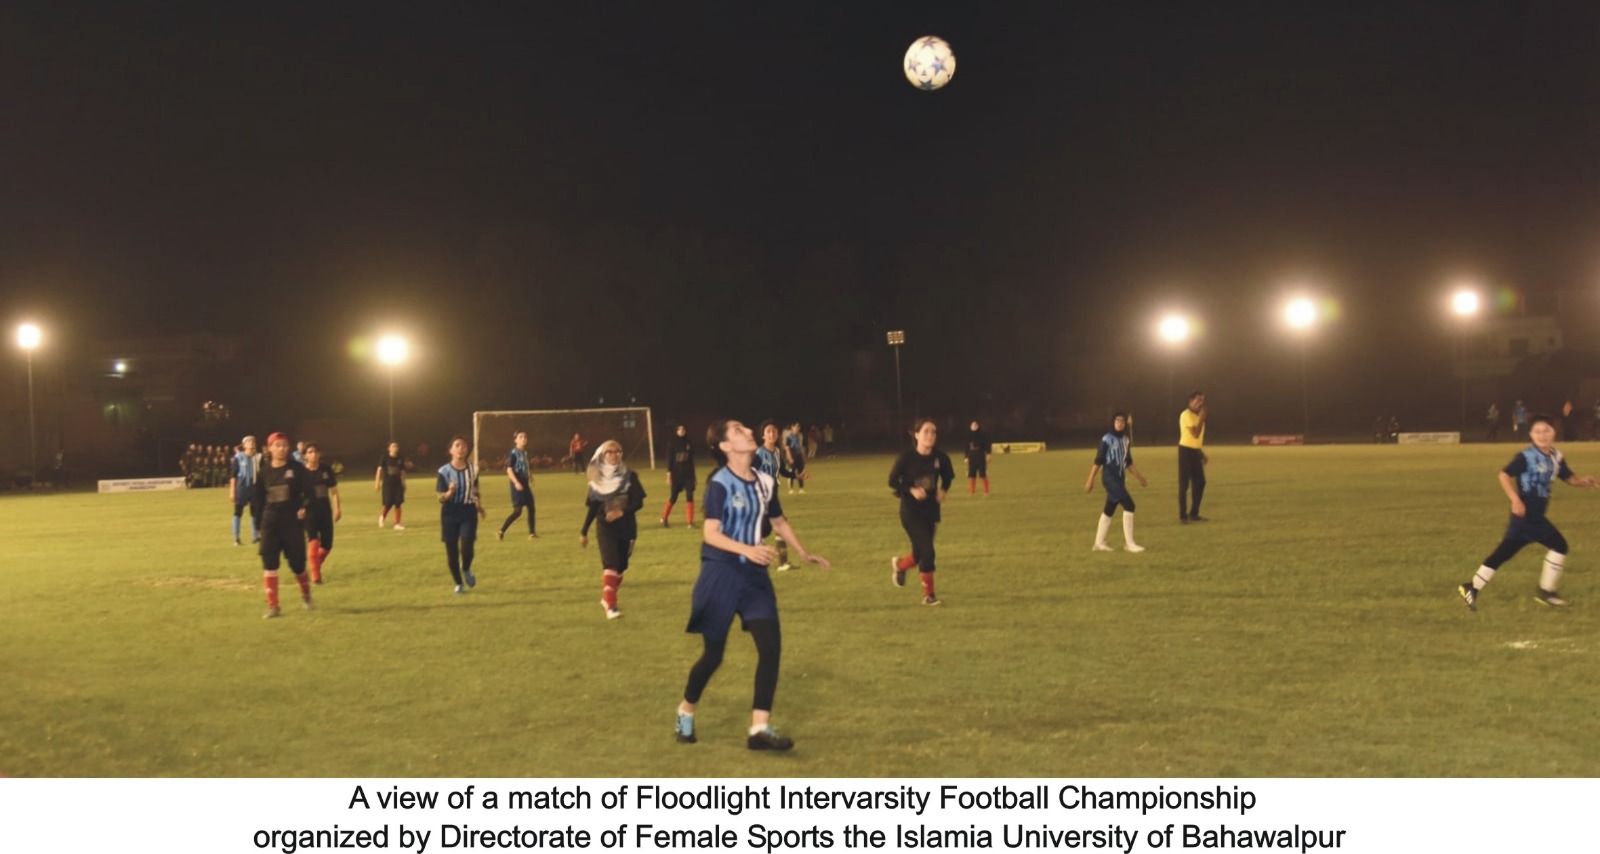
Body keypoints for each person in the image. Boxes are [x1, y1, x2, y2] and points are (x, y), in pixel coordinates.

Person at [675, 419, 831, 751]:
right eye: (738, 431)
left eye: (746, 428)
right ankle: (685, 710)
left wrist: (804, 552)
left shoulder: (764, 480)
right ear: (726, 446)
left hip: (754, 577)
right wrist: (748, 549)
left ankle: (759, 729)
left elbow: (776, 519)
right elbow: (711, 533)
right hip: (720, 573)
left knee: (770, 646)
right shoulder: (719, 482)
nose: (748, 432)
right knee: (713, 656)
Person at [1458, 414, 1597, 610]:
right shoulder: (1526, 457)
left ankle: (1471, 587)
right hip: (1528, 514)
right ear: (1531, 434)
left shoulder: (1557, 456)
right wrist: (1515, 500)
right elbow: (1504, 474)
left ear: (1553, 432)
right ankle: (1547, 592)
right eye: (1537, 431)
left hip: (1526, 517)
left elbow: (1568, 477)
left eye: (1546, 431)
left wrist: (1583, 481)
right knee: (1559, 545)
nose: (1542, 435)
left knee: (1504, 552)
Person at [888, 418, 955, 606]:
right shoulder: (906, 458)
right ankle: (929, 596)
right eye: (926, 431)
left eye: (933, 432)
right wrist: (911, 490)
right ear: (916, 435)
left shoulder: (940, 458)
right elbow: (892, 481)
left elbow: (948, 478)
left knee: (919, 554)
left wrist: (943, 490)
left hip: (931, 511)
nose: (930, 435)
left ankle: (900, 566)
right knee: (928, 551)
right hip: (911, 511)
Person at [581, 440, 646, 618]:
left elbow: (638, 502)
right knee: (610, 563)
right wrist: (584, 531)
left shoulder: (630, 476)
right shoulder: (597, 480)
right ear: (602, 455)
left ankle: (606, 597)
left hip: (626, 528)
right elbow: (593, 507)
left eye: (617, 451)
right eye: (610, 452)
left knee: (621, 567)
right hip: (605, 527)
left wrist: (621, 512)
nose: (614, 454)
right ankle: (611, 605)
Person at [254, 432, 313, 619]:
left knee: (297, 565)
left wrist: (304, 507)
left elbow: (308, 493)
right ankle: (273, 606)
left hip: (292, 522)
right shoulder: (263, 472)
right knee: (269, 563)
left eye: (285, 445)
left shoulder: (297, 469)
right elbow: (257, 500)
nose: (282, 449)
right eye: (277, 445)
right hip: (270, 522)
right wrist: (258, 525)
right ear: (269, 448)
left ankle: (306, 593)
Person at [1085, 412, 1149, 552]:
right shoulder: (1106, 439)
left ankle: (1099, 543)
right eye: (1117, 420)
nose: (1119, 423)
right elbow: (1098, 461)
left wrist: (1140, 478)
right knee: (1130, 505)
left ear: (1125, 424)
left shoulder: (1126, 440)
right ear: (1113, 423)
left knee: (1109, 509)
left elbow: (1128, 463)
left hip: (1119, 479)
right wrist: (1090, 480)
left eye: (1122, 421)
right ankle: (1129, 544)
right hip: (1109, 478)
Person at [437, 435, 488, 594]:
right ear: (450, 450)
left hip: (468, 512)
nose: (461, 448)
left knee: (467, 548)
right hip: (450, 513)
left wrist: (479, 506)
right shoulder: (444, 471)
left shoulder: (474, 469)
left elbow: (475, 489)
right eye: (457, 445)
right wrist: (449, 493)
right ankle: (459, 583)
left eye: (464, 445)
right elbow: (440, 497)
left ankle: (466, 568)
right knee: (451, 552)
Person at [755, 421, 793, 571]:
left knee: (779, 527)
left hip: (773, 496)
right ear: (763, 435)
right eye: (768, 431)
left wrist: (795, 475)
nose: (771, 434)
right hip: (762, 498)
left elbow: (782, 470)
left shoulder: (777, 452)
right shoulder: (759, 454)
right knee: (762, 530)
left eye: (774, 432)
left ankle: (782, 563)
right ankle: (758, 562)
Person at [302, 441, 341, 584]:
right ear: (305, 456)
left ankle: (314, 566)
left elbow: (334, 492)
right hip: (309, 511)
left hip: (324, 510)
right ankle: (316, 576)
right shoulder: (302, 473)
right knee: (313, 540)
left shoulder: (325, 469)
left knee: (327, 545)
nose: (313, 455)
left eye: (315, 452)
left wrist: (338, 509)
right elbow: (296, 494)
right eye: (310, 452)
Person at [498, 431, 538, 540]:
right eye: (521, 437)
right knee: (518, 511)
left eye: (525, 436)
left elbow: (526, 466)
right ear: (515, 440)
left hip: (524, 483)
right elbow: (509, 469)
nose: (524, 438)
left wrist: (530, 477)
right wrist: (516, 483)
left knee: (531, 507)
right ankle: (501, 531)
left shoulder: (524, 453)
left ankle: (532, 533)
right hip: (517, 483)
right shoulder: (513, 453)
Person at [1177, 391, 1208, 523]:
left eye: (1202, 401)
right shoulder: (1186, 415)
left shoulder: (1197, 415)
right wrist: (1201, 418)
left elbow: (1197, 438)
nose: (1200, 403)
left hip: (1195, 451)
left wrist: (1201, 453)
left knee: (1200, 482)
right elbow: (1195, 434)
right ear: (1190, 401)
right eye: (1197, 401)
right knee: (1184, 484)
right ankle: (1183, 516)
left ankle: (1194, 513)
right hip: (1185, 451)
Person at [660, 424, 697, 528]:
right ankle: (665, 517)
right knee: (673, 497)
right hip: (677, 475)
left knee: (690, 495)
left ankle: (690, 522)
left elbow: (691, 461)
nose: (681, 431)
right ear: (676, 431)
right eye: (679, 429)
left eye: (683, 429)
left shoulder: (689, 443)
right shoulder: (673, 443)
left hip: (688, 474)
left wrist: (694, 476)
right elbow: (670, 461)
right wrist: (669, 475)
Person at [229, 435, 263, 545]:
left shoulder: (259, 458)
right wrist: (232, 491)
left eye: (253, 441)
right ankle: (236, 537)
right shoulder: (238, 458)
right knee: (238, 512)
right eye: (248, 441)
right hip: (242, 488)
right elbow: (233, 475)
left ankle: (256, 536)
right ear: (244, 445)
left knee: (255, 512)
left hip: (255, 488)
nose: (251, 443)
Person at [374, 441, 408, 531]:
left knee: (398, 503)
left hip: (398, 484)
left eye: (396, 446)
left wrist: (404, 483)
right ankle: (382, 517)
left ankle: (397, 523)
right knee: (388, 503)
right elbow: (379, 470)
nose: (395, 448)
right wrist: (377, 482)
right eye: (393, 446)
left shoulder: (400, 458)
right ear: (389, 448)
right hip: (388, 484)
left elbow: (403, 471)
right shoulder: (385, 458)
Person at [964, 420, 992, 495]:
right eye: (972, 425)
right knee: (971, 473)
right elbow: (966, 447)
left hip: (980, 454)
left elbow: (987, 444)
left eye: (975, 425)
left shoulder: (982, 434)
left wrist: (988, 453)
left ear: (978, 426)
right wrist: (966, 457)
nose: (973, 427)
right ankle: (972, 491)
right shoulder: (968, 435)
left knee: (982, 473)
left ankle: (986, 491)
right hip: (971, 455)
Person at [782, 422, 807, 494]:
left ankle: (801, 488)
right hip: (792, 455)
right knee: (791, 472)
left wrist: (804, 457)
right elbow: (787, 448)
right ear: (792, 427)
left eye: (799, 426)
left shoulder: (800, 436)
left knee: (801, 472)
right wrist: (790, 457)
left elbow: (802, 447)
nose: (798, 428)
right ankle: (791, 489)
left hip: (799, 455)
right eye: (796, 426)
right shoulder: (789, 437)